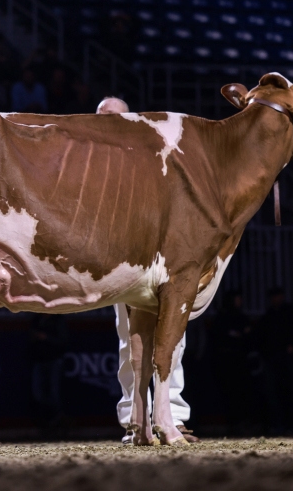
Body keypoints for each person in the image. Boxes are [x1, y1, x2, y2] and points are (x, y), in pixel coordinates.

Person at [101, 97, 198, 444]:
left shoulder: (150, 150)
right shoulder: (94, 160)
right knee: (130, 339)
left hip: (163, 254)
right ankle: (134, 418)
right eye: (100, 117)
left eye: (113, 115)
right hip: (124, 260)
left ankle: (174, 414)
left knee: (175, 336)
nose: (105, 121)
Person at [258, 286, 293, 434]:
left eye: (277, 296)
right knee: (275, 393)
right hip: (274, 360)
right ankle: (279, 425)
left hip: (290, 360)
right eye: (273, 296)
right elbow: (263, 338)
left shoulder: (291, 313)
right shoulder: (269, 315)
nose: (275, 299)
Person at [211, 290, 252, 432]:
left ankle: (242, 420)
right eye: (237, 298)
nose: (239, 301)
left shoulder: (241, 316)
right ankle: (233, 421)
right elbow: (218, 338)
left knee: (242, 391)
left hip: (240, 360)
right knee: (229, 392)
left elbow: (247, 336)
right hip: (226, 362)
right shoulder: (222, 317)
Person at [28, 314, 69, 435]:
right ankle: (49, 423)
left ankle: (58, 423)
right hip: (39, 361)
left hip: (54, 360)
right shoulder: (37, 319)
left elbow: (63, 341)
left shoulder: (58, 319)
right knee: (38, 394)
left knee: (54, 394)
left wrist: (46, 338)